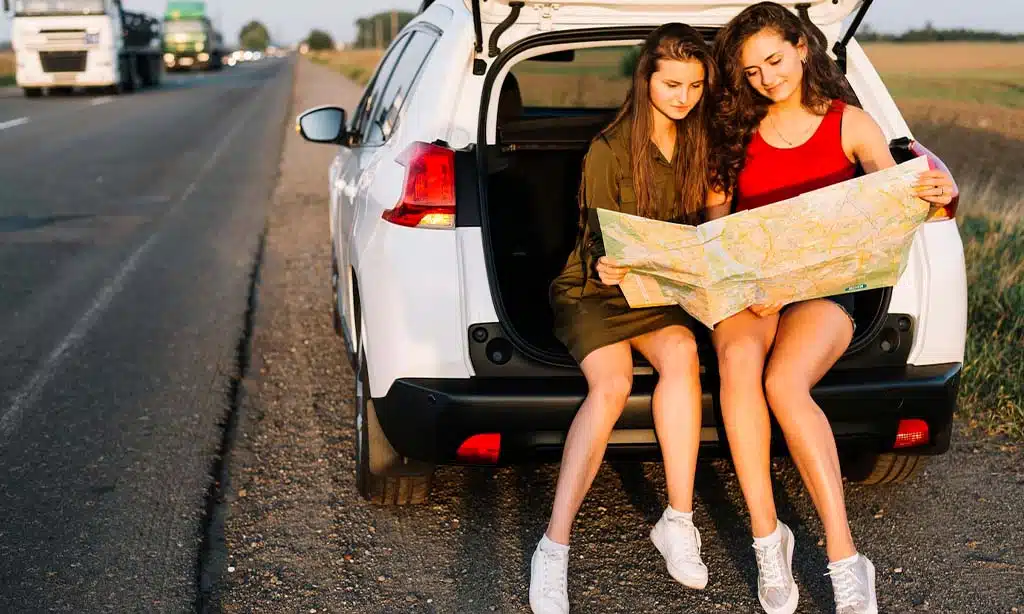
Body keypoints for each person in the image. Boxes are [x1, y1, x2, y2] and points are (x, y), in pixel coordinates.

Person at [710, 4, 957, 614]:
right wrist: (738, 279)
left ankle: (846, 559)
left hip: (828, 286)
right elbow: (715, 227)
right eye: (752, 71)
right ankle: (770, 540)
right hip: (754, 287)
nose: (768, 78)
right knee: (739, 361)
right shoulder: (732, 135)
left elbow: (897, 205)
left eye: (775, 60)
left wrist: (938, 192)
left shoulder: (852, 124)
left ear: (800, 47)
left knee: (786, 384)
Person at [530, 22, 729, 614]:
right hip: (597, 288)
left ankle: (677, 518)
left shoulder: (703, 144)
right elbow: (599, 245)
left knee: (683, 356)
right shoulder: (609, 148)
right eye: (672, 84)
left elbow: (715, 231)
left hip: (661, 289)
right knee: (612, 383)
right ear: (646, 79)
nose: (683, 97)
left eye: (695, 86)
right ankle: (554, 546)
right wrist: (615, 266)